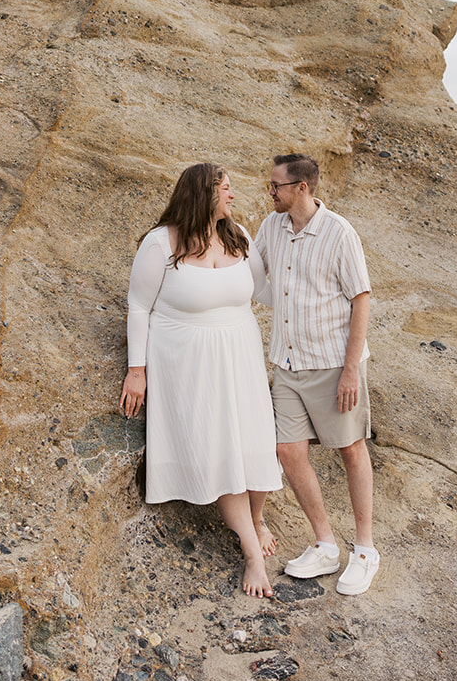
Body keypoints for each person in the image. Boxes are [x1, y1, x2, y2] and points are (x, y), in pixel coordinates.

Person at [119, 162, 282, 597]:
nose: (233, 195)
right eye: (225, 189)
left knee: (255, 441)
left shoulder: (240, 236)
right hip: (187, 359)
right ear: (203, 194)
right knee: (218, 447)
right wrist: (138, 371)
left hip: (240, 354)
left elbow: (265, 292)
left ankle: (258, 517)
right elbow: (139, 306)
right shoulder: (161, 243)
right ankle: (250, 551)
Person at [254, 153, 379, 595]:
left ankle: (364, 550)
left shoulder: (339, 233)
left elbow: (361, 299)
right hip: (287, 362)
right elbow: (249, 273)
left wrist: (349, 371)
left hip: (333, 364)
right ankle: (325, 543)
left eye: (276, 186)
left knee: (350, 449)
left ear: (301, 188)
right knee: (287, 451)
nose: (269, 192)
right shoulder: (271, 228)